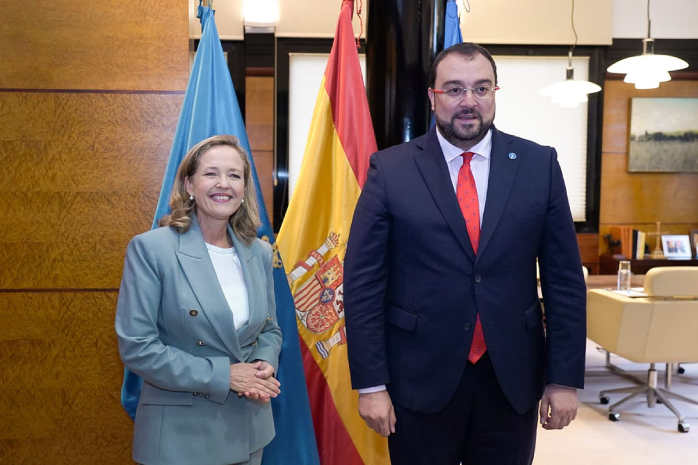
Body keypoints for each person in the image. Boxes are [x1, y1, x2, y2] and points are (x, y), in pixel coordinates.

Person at [344, 43, 587, 464]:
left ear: (495, 92)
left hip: (511, 379)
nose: (469, 102)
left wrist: (564, 379)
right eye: (454, 89)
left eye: (481, 88)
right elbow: (363, 284)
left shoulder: (538, 165)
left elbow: (564, 281)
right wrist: (371, 384)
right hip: (418, 379)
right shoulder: (391, 169)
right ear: (433, 96)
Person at [115, 135, 282, 465]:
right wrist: (224, 375)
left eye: (234, 175)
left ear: (244, 188)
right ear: (189, 184)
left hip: (249, 430)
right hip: (181, 437)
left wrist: (265, 362)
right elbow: (137, 347)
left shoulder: (259, 251)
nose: (224, 184)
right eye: (211, 174)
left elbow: (269, 329)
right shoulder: (152, 250)